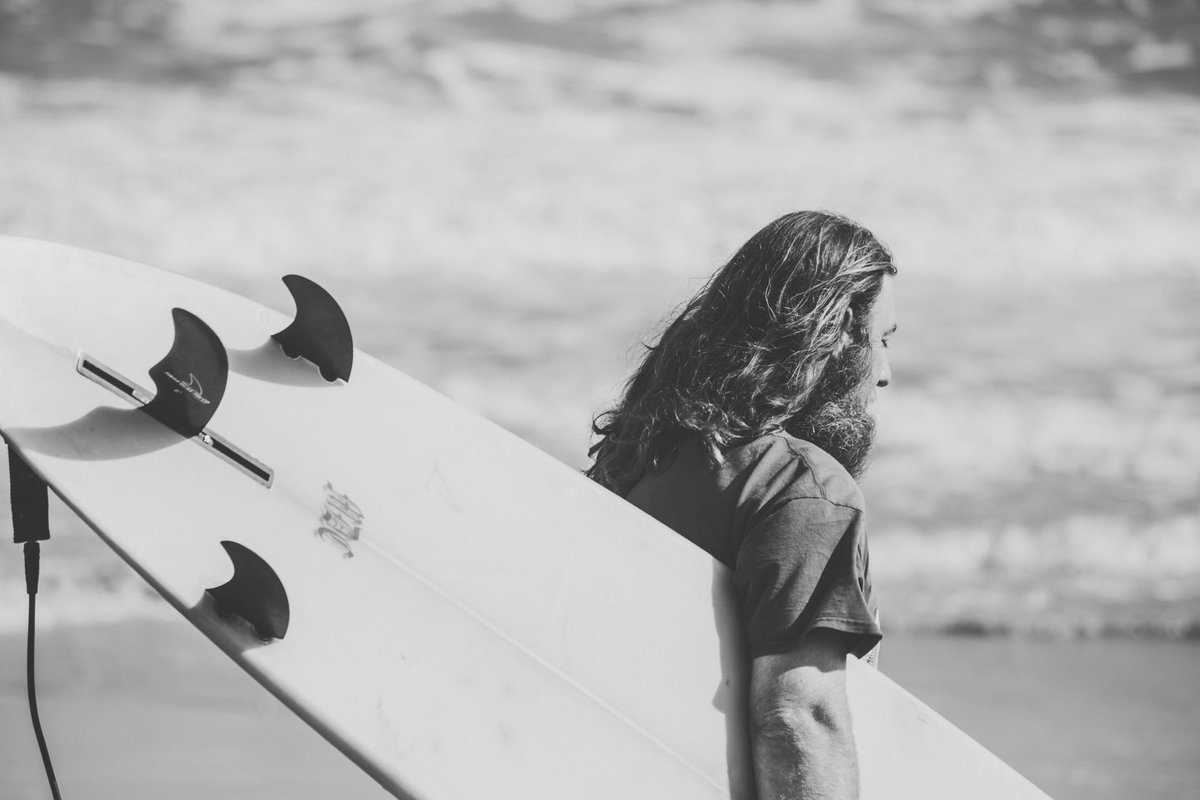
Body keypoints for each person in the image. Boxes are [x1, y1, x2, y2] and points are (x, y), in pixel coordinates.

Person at [586, 210, 897, 800]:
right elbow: (799, 719)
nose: (884, 374)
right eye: (880, 339)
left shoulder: (645, 457)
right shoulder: (804, 491)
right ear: (833, 337)